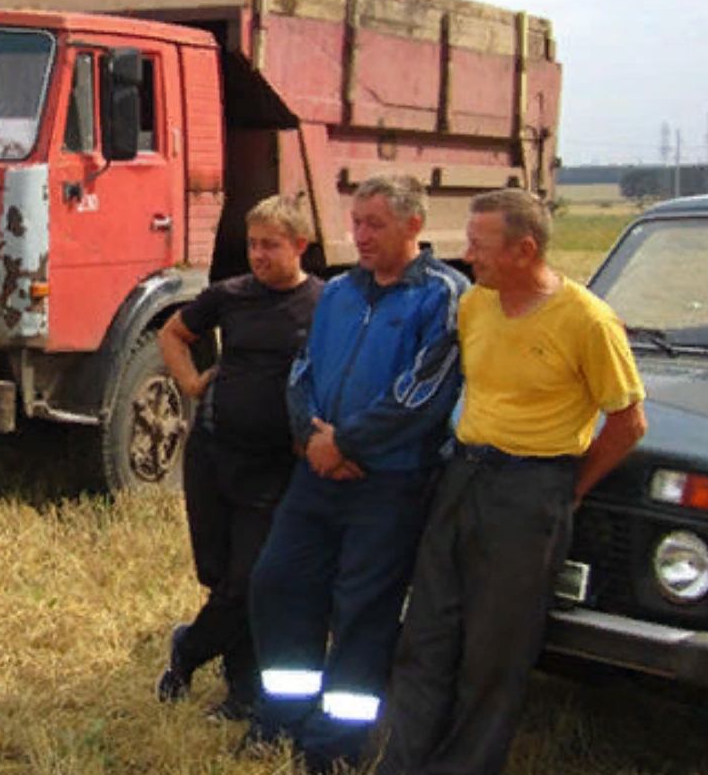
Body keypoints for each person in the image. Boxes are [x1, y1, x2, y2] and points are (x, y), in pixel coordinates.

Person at [377, 188, 646, 775]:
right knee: (427, 632)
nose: (469, 256)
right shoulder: (476, 305)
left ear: (526, 250)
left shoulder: (588, 321)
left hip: (531, 494)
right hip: (463, 477)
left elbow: (628, 424)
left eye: (482, 246)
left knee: (494, 654)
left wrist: (570, 488)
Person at [243, 175, 468, 773]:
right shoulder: (340, 291)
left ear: (413, 226)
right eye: (356, 222)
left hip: (390, 484)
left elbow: (424, 394)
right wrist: (315, 440)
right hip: (317, 475)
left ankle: (334, 744)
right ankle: (281, 718)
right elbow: (303, 370)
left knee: (362, 611)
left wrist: (346, 442)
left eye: (375, 225)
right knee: (278, 584)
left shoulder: (445, 295)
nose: (360, 236)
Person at [155, 196, 325, 721]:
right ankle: (239, 688)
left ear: (300, 246)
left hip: (273, 464)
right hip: (212, 454)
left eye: (270, 245)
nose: (258, 255)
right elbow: (173, 333)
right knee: (219, 576)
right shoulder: (229, 295)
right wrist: (188, 381)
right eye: (253, 244)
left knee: (250, 580)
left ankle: (190, 651)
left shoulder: (324, 302)